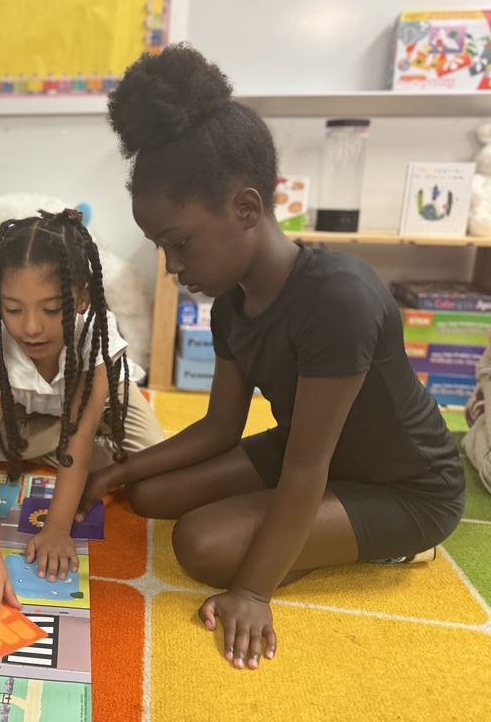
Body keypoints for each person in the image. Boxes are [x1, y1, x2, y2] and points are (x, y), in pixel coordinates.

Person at [77, 43, 465, 670]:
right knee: (148, 493)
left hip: (405, 486)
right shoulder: (231, 304)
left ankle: (391, 546)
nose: (173, 268)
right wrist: (114, 475)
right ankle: (304, 535)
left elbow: (307, 468)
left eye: (179, 244)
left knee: (201, 544)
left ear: (247, 208)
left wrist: (253, 591)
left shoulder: (338, 297)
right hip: (309, 455)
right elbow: (219, 428)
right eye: (161, 247)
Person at [0, 209, 165, 628]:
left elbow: (78, 440)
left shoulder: (95, 336)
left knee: (155, 468)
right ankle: (49, 442)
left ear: (81, 299)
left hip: (98, 405)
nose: (31, 328)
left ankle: (91, 443)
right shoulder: (0, 347)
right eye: (13, 309)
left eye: (51, 309)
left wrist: (56, 527)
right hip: (31, 408)